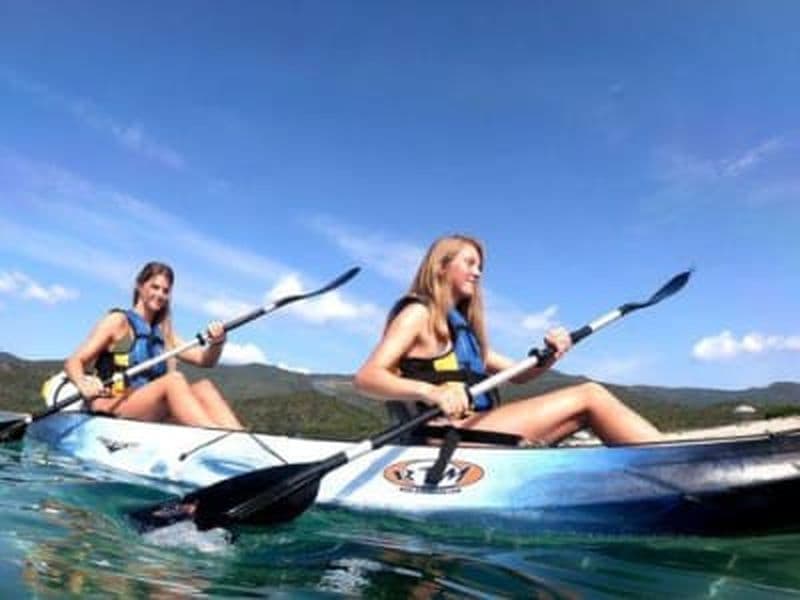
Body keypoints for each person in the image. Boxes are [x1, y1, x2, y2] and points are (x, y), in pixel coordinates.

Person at [354, 234, 662, 446]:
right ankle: (672, 461)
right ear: (441, 267)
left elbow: (521, 375)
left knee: (587, 399)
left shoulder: (465, 334)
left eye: (480, 267)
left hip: (475, 428)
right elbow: (367, 377)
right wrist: (433, 393)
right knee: (590, 395)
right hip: (447, 434)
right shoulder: (418, 314)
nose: (477, 273)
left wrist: (552, 354)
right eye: (469, 263)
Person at [63, 261, 243, 429]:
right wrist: (82, 383)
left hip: (145, 410)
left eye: (165, 291)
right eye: (155, 287)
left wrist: (217, 343)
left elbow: (205, 360)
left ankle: (242, 443)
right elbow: (74, 361)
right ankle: (213, 439)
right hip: (112, 404)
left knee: (204, 388)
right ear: (139, 286)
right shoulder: (118, 321)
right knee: (174, 380)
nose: (160, 295)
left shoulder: (164, 333)